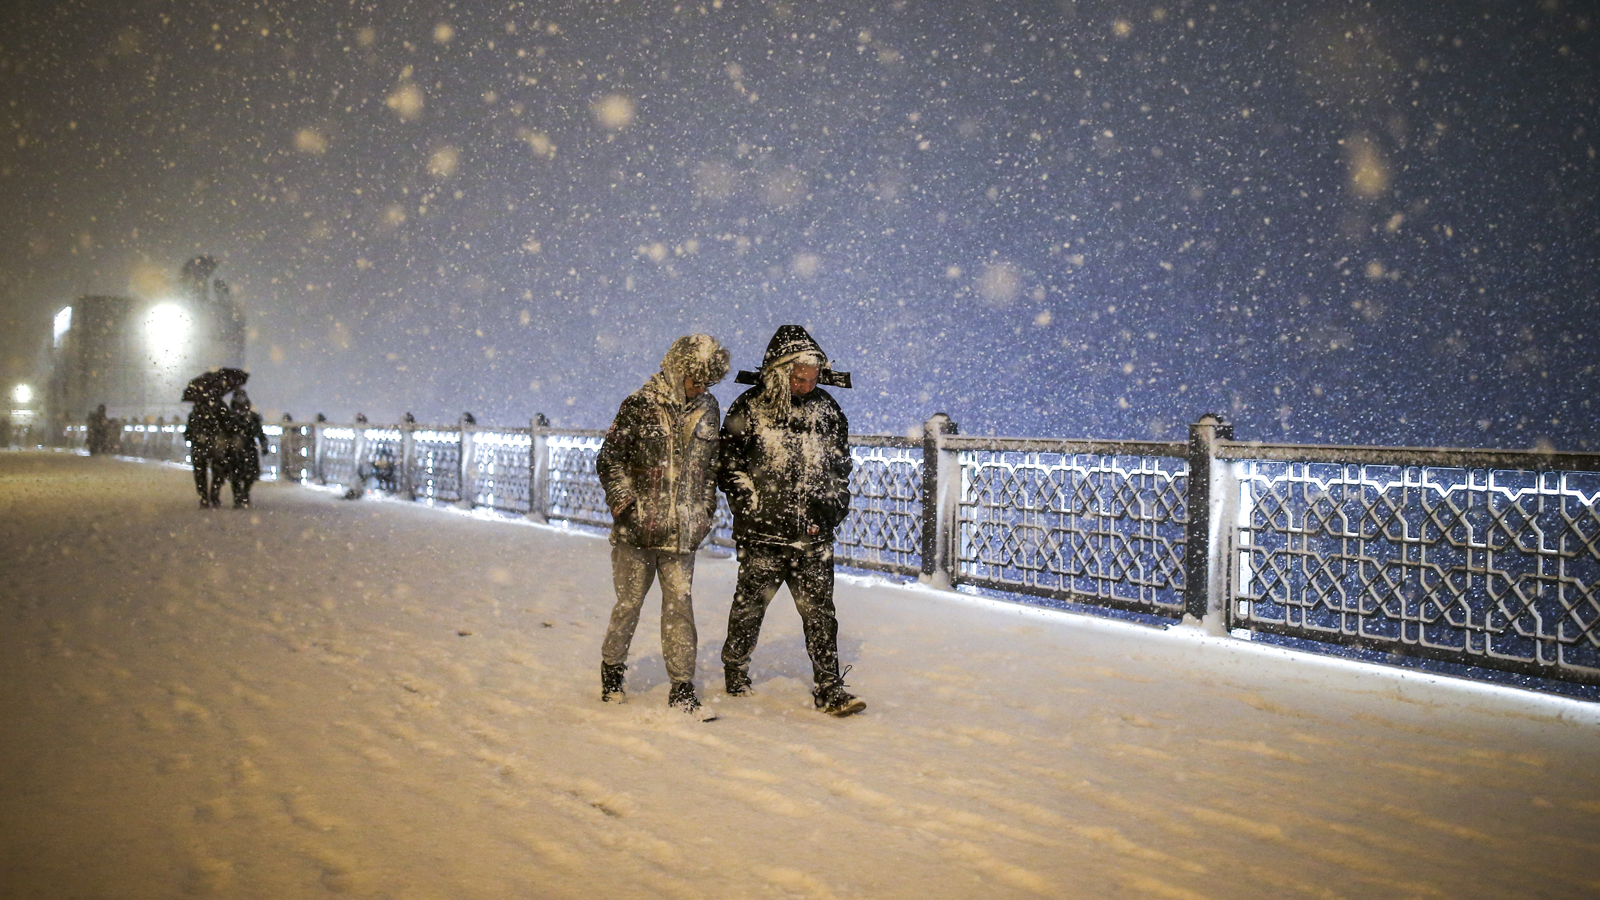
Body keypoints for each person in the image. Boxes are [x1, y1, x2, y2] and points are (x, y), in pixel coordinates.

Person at [718, 325, 866, 717]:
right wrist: (750, 507)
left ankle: (830, 688)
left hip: (812, 538)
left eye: (812, 378)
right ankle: (735, 669)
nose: (806, 385)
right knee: (749, 609)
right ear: (780, 372)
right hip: (762, 535)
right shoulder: (749, 406)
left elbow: (839, 470)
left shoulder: (828, 410)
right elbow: (729, 466)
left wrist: (831, 512)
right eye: (799, 378)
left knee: (820, 614)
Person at [595, 334, 731, 715]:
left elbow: (710, 468)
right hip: (636, 532)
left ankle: (682, 685)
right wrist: (628, 508)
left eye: (707, 382)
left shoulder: (709, 410)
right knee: (628, 605)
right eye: (695, 379)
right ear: (676, 370)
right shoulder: (639, 405)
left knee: (680, 607)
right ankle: (612, 671)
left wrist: (703, 511)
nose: (700, 388)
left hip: (682, 531)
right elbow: (610, 461)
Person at [185, 390, 230, 508]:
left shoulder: (196, 412)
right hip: (215, 446)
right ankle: (212, 495)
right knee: (217, 471)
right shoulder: (222, 409)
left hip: (202, 446)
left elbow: (188, 432)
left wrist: (196, 436)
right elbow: (228, 426)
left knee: (201, 472)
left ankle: (205, 496)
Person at [223, 390, 268, 508]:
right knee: (235, 475)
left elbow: (260, 433)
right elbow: (224, 433)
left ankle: (245, 493)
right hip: (235, 448)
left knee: (248, 475)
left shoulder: (252, 417)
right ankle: (238, 497)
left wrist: (264, 445)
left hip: (247, 447)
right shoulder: (229, 417)